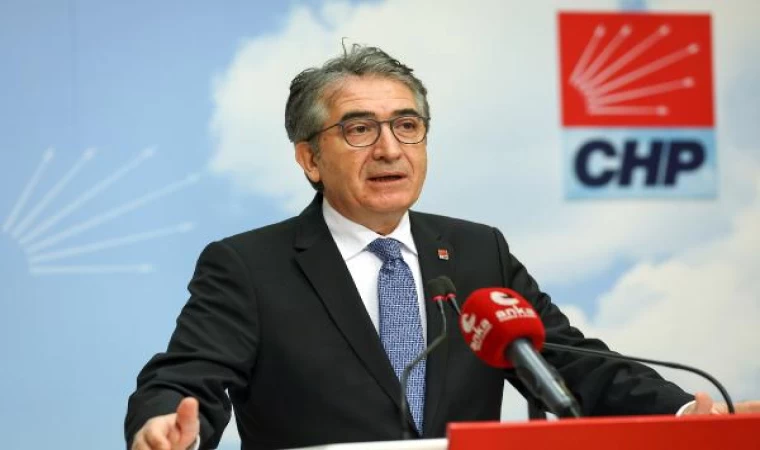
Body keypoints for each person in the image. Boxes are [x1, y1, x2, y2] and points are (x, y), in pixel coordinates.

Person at [125, 44, 758, 450]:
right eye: (359, 128)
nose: (390, 149)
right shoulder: (249, 266)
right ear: (310, 158)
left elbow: (572, 362)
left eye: (407, 125)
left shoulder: (478, 251)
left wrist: (686, 415)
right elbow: (186, 375)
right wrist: (165, 428)